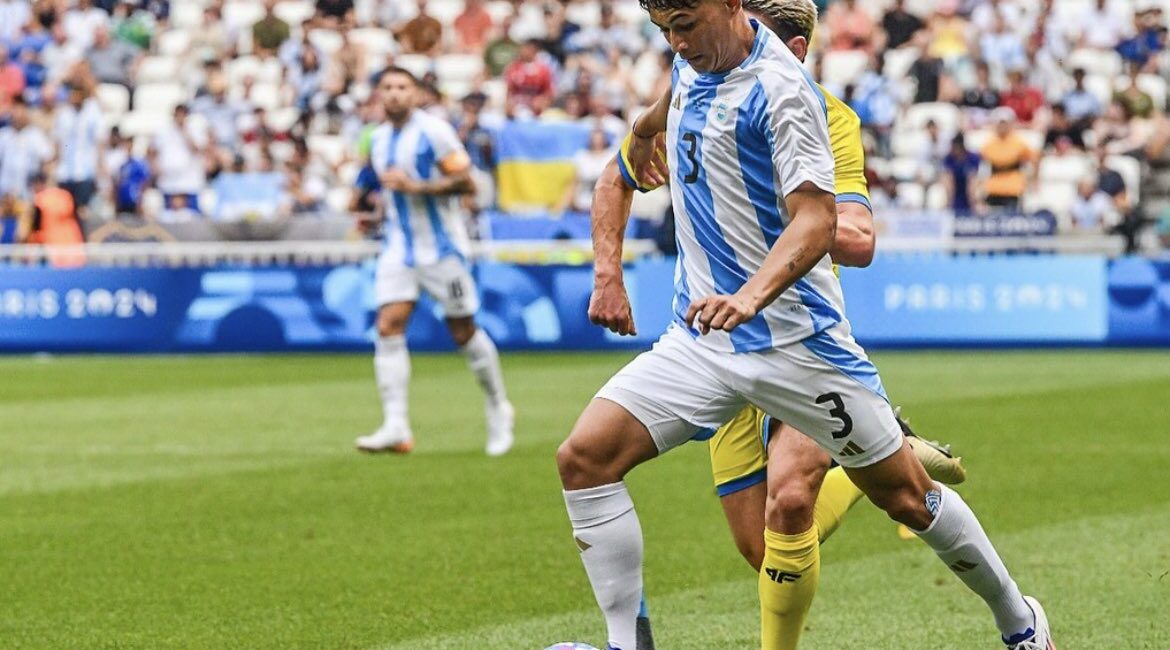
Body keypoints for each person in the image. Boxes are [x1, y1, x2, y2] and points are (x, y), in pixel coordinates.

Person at [556, 2, 1053, 650]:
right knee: (585, 460)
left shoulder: (783, 91)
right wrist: (611, 263)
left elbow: (820, 221)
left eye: (685, 24)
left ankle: (1021, 624)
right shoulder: (689, 66)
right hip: (703, 340)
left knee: (906, 500)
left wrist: (751, 297)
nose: (676, 43)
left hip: (797, 344)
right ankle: (629, 644)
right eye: (665, 30)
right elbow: (634, 145)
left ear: (731, 4)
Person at [354, 67, 514, 457]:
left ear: (416, 94)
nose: (394, 94)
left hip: (443, 250)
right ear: (379, 95)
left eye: (402, 88)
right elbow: (383, 192)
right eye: (387, 87)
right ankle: (396, 425)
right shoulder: (377, 139)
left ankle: (498, 407)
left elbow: (468, 184)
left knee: (462, 331)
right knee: (388, 325)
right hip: (398, 248)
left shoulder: (433, 132)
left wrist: (418, 187)